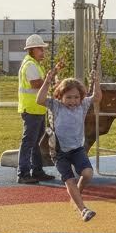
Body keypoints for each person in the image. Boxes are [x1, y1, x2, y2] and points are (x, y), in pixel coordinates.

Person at [37, 64, 102, 221]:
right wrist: (47, 81)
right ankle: (83, 210)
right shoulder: (56, 106)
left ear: (80, 97)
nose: (73, 101)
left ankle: (76, 195)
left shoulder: (83, 105)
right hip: (59, 152)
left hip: (77, 149)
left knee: (87, 174)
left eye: (76, 97)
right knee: (69, 180)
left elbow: (97, 98)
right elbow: (39, 99)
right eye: (69, 97)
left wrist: (96, 82)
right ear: (60, 97)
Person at [16, 34, 55, 184]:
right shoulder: (30, 65)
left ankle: (37, 170)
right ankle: (23, 173)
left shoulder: (35, 64)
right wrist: (49, 80)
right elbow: (35, 84)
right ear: (32, 49)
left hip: (37, 109)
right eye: (40, 49)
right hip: (31, 109)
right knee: (29, 142)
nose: (43, 51)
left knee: (36, 142)